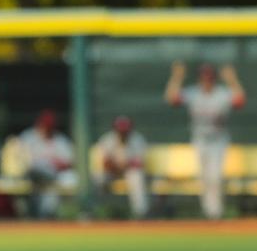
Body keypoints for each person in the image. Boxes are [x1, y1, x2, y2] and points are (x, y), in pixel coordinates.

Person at [165, 61, 246, 219]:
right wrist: (177, 77)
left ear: (214, 78)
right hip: (200, 139)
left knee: (215, 177)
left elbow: (240, 100)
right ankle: (209, 212)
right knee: (203, 178)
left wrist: (232, 79)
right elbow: (171, 99)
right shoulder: (193, 92)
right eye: (204, 77)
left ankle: (215, 213)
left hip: (218, 140)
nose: (207, 81)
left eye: (209, 77)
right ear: (199, 78)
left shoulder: (221, 93)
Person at [17, 109, 76, 219]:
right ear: (39, 124)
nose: (46, 129)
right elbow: (19, 160)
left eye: (49, 127)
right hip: (31, 177)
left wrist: (56, 164)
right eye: (45, 125)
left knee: (50, 197)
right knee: (35, 168)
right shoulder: (28, 137)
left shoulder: (60, 140)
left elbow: (69, 162)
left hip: (53, 177)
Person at [94, 115, 149, 219]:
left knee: (136, 177)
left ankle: (141, 214)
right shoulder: (107, 139)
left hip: (129, 173)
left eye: (125, 131)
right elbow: (105, 164)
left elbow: (138, 164)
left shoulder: (137, 140)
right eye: (121, 131)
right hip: (111, 173)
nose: (123, 133)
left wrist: (120, 165)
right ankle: (92, 212)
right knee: (97, 178)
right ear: (115, 130)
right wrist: (121, 165)